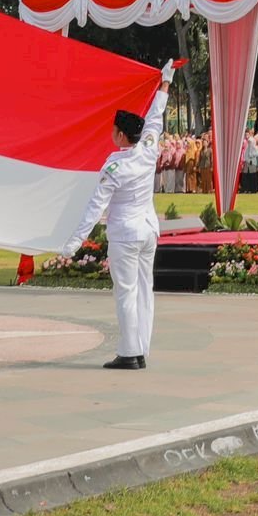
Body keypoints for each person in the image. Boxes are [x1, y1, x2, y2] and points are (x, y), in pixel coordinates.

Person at [59, 60, 177, 370]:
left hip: (125, 234)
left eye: (114, 130)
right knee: (143, 291)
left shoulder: (115, 165)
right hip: (148, 231)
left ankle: (129, 353)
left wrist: (73, 244)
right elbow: (155, 118)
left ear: (122, 136)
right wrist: (165, 83)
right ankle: (141, 349)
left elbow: (94, 207)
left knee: (125, 293)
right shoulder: (148, 149)